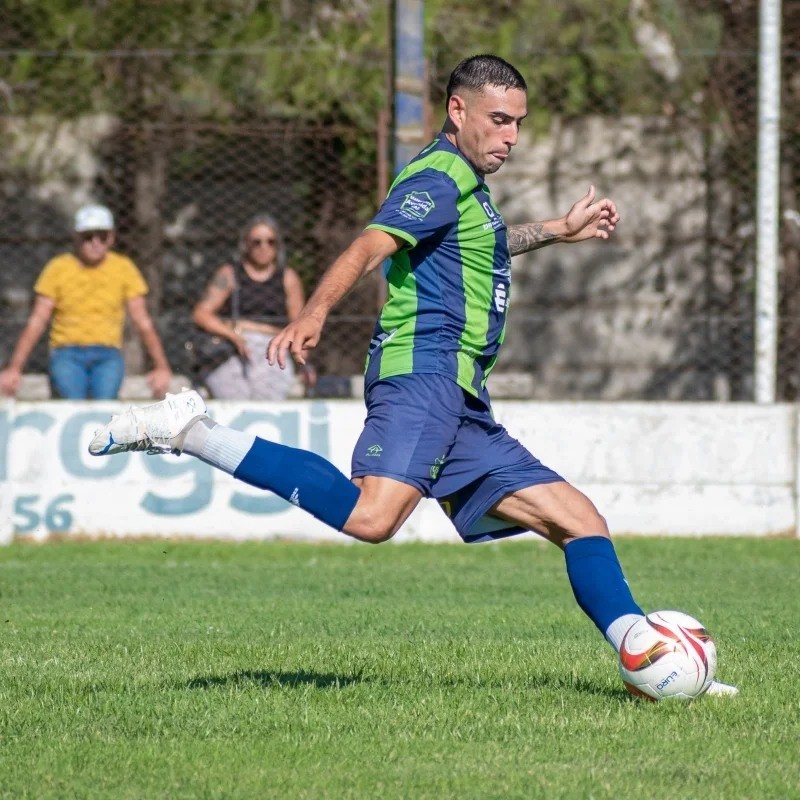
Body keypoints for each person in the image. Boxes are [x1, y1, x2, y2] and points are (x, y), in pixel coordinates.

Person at [88, 55, 736, 696]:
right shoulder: (437, 174)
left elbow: (486, 244)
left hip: (462, 399)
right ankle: (192, 431)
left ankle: (648, 655)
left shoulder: (467, 190)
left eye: (519, 123)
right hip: (423, 373)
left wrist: (557, 232)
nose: (511, 136)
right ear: (458, 110)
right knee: (373, 517)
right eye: (500, 120)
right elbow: (372, 243)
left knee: (579, 520)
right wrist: (313, 312)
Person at [0, 204, 172, 400]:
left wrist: (161, 367)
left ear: (112, 238)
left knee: (105, 404)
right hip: (67, 352)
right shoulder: (58, 269)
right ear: (76, 238)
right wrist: (15, 368)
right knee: (72, 401)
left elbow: (142, 321)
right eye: (88, 237)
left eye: (102, 236)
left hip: (108, 354)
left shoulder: (124, 268)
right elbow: (37, 321)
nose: (95, 243)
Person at [191, 213, 314, 400]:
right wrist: (233, 335)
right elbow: (201, 314)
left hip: (272, 345)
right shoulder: (230, 274)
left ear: (278, 245)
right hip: (232, 345)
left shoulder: (288, 278)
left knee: (267, 399)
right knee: (235, 398)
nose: (264, 248)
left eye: (270, 242)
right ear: (246, 244)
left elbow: (298, 324)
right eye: (256, 242)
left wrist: (305, 364)